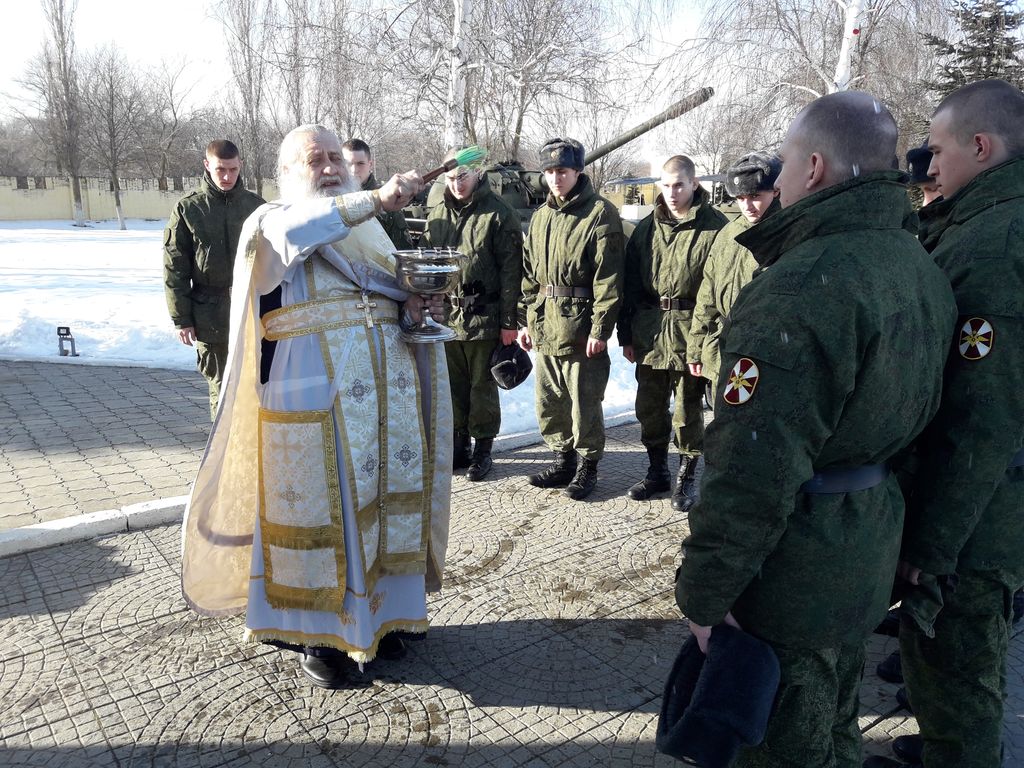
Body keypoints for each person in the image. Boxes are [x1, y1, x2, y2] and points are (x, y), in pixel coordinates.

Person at [675, 91, 956, 768]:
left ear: (815, 167)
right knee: (835, 721)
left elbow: (751, 468)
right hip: (866, 543)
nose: (777, 184)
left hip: (793, 573)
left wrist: (705, 593)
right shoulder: (917, 263)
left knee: (786, 742)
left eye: (787, 163)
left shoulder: (799, 288)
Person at [180, 124, 453, 690]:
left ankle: (385, 617)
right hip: (312, 394)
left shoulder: (369, 230)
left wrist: (414, 308)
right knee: (325, 513)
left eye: (336, 158)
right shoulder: (271, 221)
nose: (330, 167)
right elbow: (308, 229)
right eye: (315, 159)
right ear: (286, 173)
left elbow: (386, 296)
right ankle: (316, 636)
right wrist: (375, 198)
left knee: (382, 504)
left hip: (383, 391)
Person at [881, 79, 1024, 768]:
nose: (930, 165)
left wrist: (932, 544)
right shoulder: (982, 223)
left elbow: (981, 417)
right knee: (952, 664)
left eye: (938, 150)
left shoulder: (996, 243)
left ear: (981, 146)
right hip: (983, 504)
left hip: (975, 518)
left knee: (959, 662)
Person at [617, 155, 727, 509]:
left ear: (694, 184)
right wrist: (626, 335)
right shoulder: (647, 229)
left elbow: (717, 290)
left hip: (690, 332)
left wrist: (705, 342)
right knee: (649, 408)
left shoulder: (715, 228)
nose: (672, 192)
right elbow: (630, 285)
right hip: (650, 332)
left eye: (679, 185)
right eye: (666, 185)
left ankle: (686, 478)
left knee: (687, 411)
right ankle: (657, 472)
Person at [518, 138, 625, 501]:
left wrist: (600, 329)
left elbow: (609, 279)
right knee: (550, 401)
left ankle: (587, 467)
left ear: (578, 171)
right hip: (546, 323)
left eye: (562, 171)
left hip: (580, 327)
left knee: (584, 402)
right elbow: (530, 275)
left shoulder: (600, 214)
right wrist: (526, 319)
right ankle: (562, 460)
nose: (555, 178)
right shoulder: (541, 217)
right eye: (549, 172)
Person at [422, 151, 523, 480]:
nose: (457, 184)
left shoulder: (499, 214)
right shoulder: (438, 214)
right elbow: (428, 261)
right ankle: (459, 444)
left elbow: (511, 272)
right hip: (447, 317)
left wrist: (509, 322)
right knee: (453, 386)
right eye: (451, 178)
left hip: (485, 316)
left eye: (462, 176)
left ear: (478, 173)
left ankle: (483, 449)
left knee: (482, 387)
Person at [163, 139, 265, 419]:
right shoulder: (189, 209)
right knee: (221, 390)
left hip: (251, 310)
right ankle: (223, 447)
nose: (227, 176)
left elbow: (272, 263)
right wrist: (182, 318)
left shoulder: (256, 207)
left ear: (240, 165)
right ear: (207, 166)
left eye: (232, 169)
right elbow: (175, 268)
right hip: (210, 313)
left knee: (257, 385)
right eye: (220, 169)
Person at [688, 153, 781, 399]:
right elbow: (708, 292)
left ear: (775, 191)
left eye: (755, 196)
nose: (747, 205)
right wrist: (696, 346)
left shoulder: (787, 234)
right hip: (723, 348)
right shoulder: (729, 233)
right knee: (724, 416)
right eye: (740, 198)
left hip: (763, 354)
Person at [342, 138, 414, 249]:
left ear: (370, 164)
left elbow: (403, 251)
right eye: (348, 164)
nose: (354, 170)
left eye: (360, 163)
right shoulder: (333, 201)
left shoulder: (387, 202)